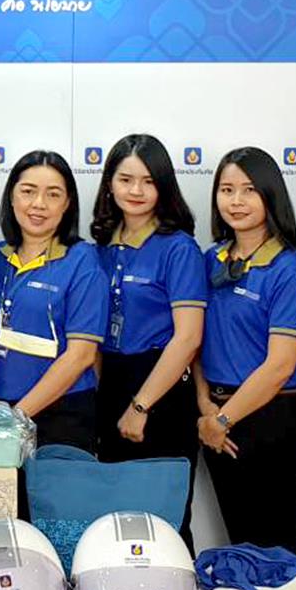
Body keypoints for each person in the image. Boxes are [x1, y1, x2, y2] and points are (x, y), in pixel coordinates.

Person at [192, 148, 296, 554]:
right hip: (216, 415)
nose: (236, 201)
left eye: (248, 190)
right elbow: (194, 339)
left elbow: (280, 365)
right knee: (240, 543)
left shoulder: (289, 269)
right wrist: (205, 405)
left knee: (277, 547)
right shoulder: (211, 259)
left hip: (271, 418)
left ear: (270, 195)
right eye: (227, 190)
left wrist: (223, 418)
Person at [90, 135, 206, 475]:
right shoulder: (101, 247)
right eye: (125, 180)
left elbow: (188, 338)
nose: (136, 191)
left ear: (164, 187)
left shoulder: (178, 248)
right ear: (109, 184)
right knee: (113, 502)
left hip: (161, 389)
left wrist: (140, 406)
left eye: (148, 182)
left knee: (163, 504)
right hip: (111, 382)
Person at [0, 150, 108, 451]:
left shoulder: (82, 261)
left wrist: (17, 417)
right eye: (28, 191)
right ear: (11, 197)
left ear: (68, 203)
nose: (39, 204)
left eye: (53, 194)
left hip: (62, 415)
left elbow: (81, 355)